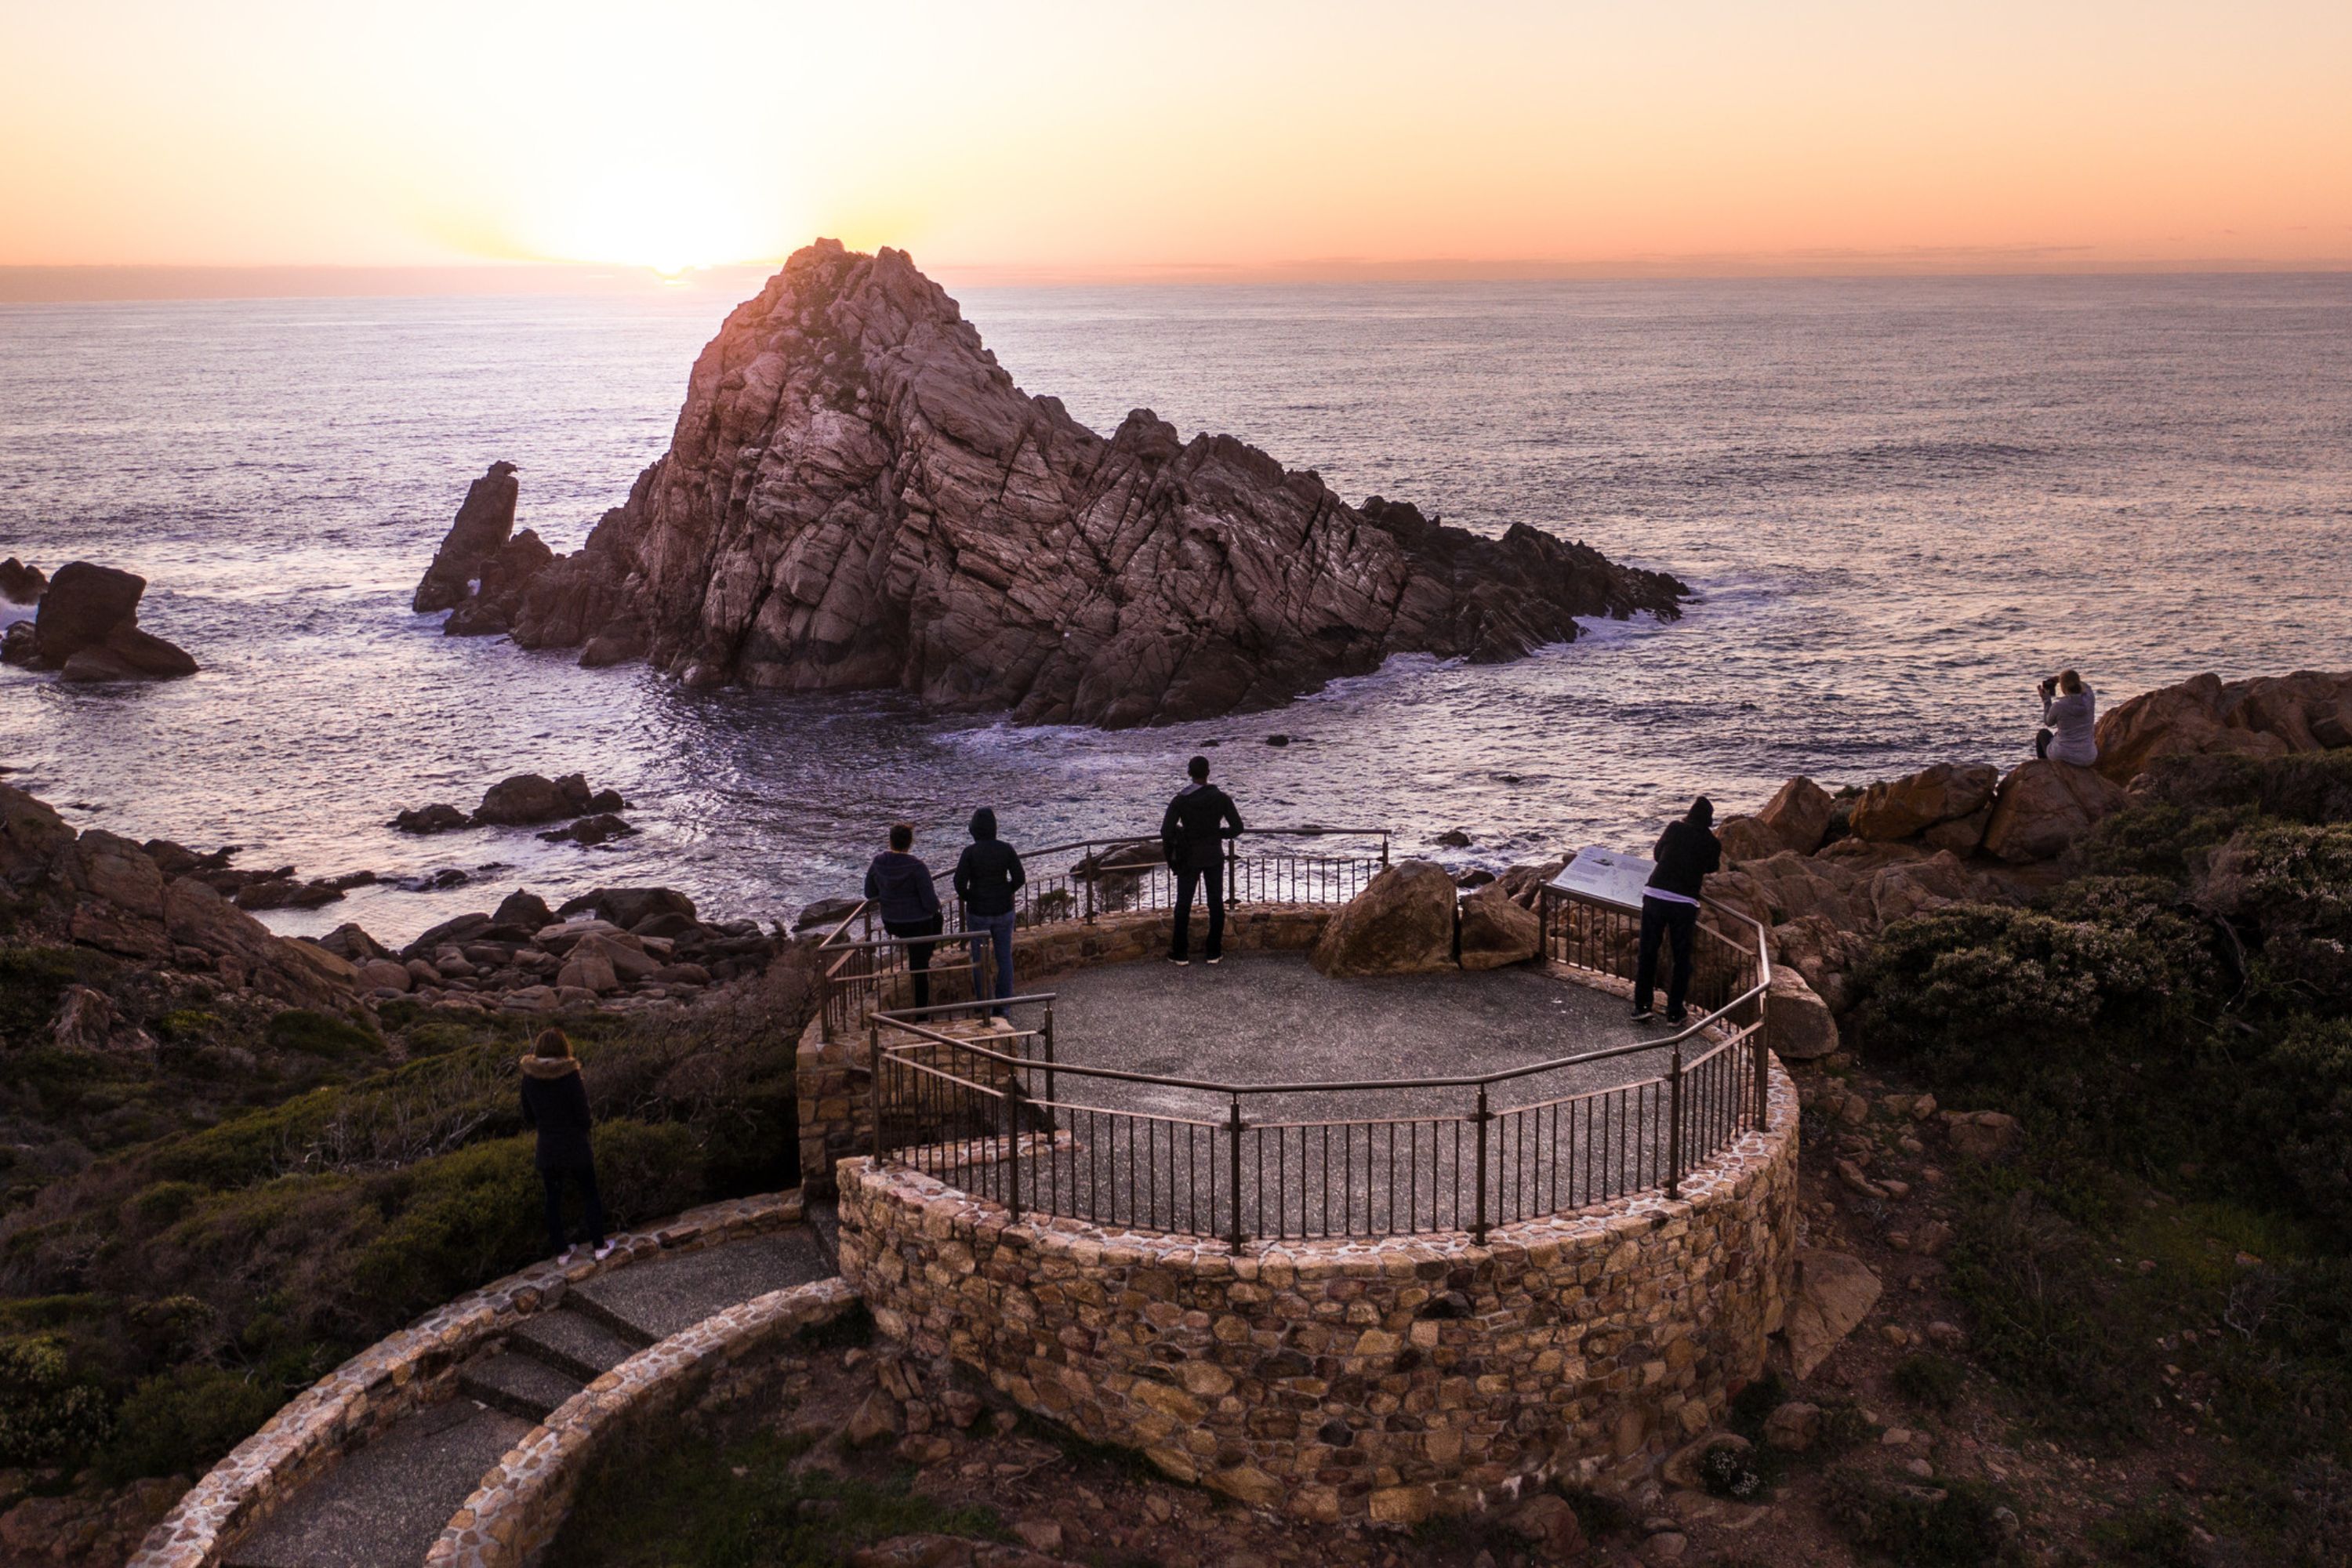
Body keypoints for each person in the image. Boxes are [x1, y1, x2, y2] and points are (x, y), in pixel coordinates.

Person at [518, 1028, 612, 1264]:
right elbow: (583, 1113)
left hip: (547, 1147)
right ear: (563, 1048)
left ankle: (562, 1252)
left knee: (552, 1200)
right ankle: (600, 1247)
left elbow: (528, 1115)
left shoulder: (529, 1078)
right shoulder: (570, 1076)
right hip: (575, 1145)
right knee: (590, 1194)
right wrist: (583, 1128)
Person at [1634, 797, 1722, 1025]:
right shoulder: (1712, 842)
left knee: (1648, 952)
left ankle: (1642, 1006)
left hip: (1656, 895)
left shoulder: (1675, 827)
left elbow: (1657, 854)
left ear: (1689, 815)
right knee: (1681, 958)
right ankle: (1674, 1012)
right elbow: (1713, 866)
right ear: (1708, 821)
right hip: (1684, 903)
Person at [1162, 755, 1245, 965]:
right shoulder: (1221, 798)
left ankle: (1180, 953)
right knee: (1216, 903)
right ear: (1208, 773)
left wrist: (1181, 835)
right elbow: (1238, 828)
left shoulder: (1180, 800)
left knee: (1183, 905)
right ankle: (1213, 952)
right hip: (1214, 855)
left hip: (1189, 856)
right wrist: (1219, 834)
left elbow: (1166, 831)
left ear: (1190, 773)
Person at [953, 807, 1024, 1018]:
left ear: (974, 829)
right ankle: (1003, 1007)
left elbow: (958, 883)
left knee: (980, 960)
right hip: (1003, 910)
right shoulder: (1006, 849)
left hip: (979, 913)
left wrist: (971, 897)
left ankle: (984, 1004)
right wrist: (1005, 891)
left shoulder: (970, 853)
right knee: (1004, 958)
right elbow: (1020, 878)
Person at [866, 822, 942, 1008]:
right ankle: (922, 1012)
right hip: (917, 924)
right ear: (910, 843)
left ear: (890, 841)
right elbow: (931, 904)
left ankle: (923, 956)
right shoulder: (917, 867)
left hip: (892, 922)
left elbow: (869, 892)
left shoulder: (878, 862)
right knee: (936, 922)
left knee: (921, 945)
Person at [2035, 670, 2099, 765]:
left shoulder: (2059, 706)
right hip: (2087, 757)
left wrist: (2046, 701)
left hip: (2063, 754)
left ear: (2063, 687)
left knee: (2043, 734)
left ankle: (2047, 771)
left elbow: (2048, 722)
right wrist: (2062, 679)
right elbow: (2086, 687)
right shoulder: (2090, 698)